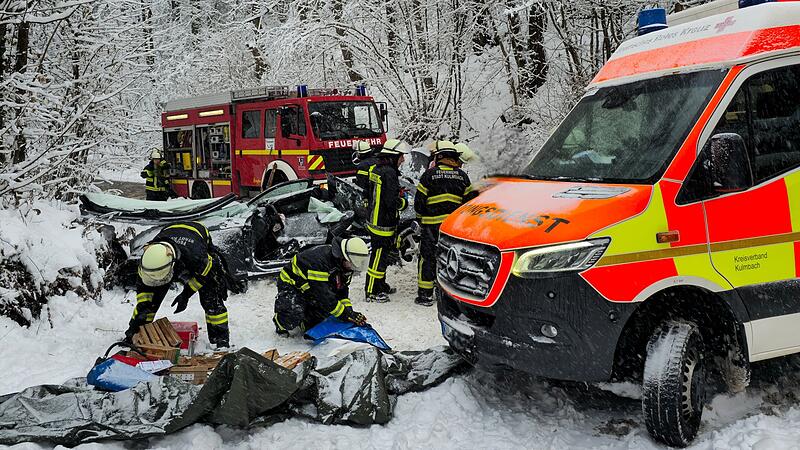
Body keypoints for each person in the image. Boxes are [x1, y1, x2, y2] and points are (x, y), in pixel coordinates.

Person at [125, 221, 231, 348]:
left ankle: (221, 341)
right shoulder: (149, 259)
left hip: (196, 235)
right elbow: (144, 291)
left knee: (212, 298)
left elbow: (203, 276)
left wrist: (186, 294)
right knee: (147, 304)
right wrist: (144, 309)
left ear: (172, 266)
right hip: (170, 230)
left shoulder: (196, 256)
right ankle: (134, 335)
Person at [414, 141, 478, 306]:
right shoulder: (462, 176)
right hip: (452, 229)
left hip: (431, 227)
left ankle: (425, 294)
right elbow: (470, 203)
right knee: (451, 259)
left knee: (427, 258)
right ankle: (448, 293)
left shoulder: (429, 175)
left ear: (439, 157)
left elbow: (419, 202)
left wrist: (421, 218)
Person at [273, 237, 370, 335]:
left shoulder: (342, 265)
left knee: (321, 318)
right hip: (292, 285)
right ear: (344, 257)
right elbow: (324, 296)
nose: (353, 268)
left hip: (311, 286)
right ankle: (280, 321)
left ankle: (306, 319)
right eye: (352, 264)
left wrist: (349, 311)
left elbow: (342, 290)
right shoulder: (320, 262)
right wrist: (346, 314)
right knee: (294, 313)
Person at [364, 139, 408, 303]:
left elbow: (371, 193)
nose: (402, 160)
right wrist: (403, 201)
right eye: (401, 156)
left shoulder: (377, 169)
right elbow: (392, 202)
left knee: (381, 255)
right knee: (378, 256)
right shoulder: (389, 173)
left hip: (375, 219)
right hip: (383, 222)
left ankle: (380, 285)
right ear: (393, 156)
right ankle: (372, 290)